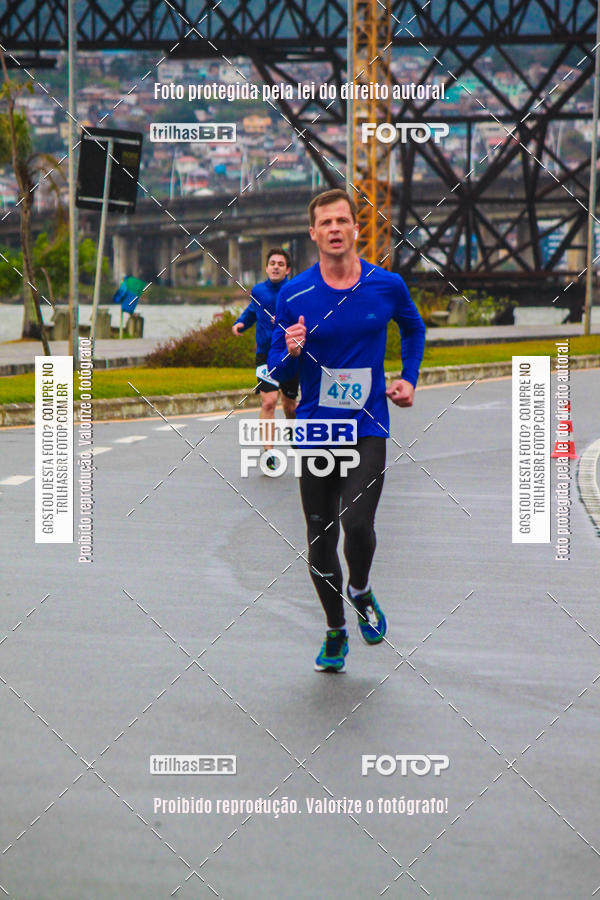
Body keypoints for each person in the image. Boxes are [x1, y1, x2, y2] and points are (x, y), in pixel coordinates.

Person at [267, 189, 426, 672]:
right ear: (313, 233)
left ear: (356, 229)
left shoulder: (386, 285)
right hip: (316, 430)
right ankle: (336, 630)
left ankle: (360, 588)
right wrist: (289, 354)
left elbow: (414, 329)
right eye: (325, 223)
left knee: (357, 524)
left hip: (367, 424)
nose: (335, 229)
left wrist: (409, 377)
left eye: (343, 220)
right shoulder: (293, 294)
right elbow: (274, 370)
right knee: (320, 536)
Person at [232, 248, 298, 470]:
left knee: (290, 407)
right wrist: (242, 322)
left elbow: (304, 318)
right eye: (272, 263)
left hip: (288, 354)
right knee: (268, 401)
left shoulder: (294, 290)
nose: (276, 266)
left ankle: (296, 440)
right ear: (267, 267)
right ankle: (269, 452)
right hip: (265, 354)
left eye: (280, 263)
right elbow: (252, 311)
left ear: (287, 269)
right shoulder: (259, 291)